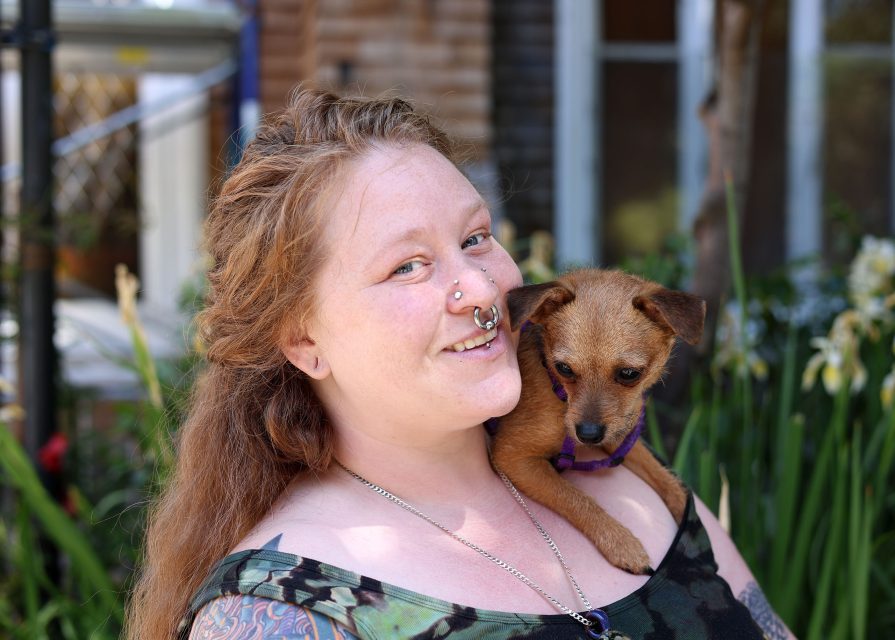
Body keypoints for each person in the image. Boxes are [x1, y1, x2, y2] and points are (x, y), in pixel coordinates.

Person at [126, 89, 793, 640]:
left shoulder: (632, 488)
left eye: (475, 238)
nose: (480, 287)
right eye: (407, 266)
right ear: (302, 342)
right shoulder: (282, 611)